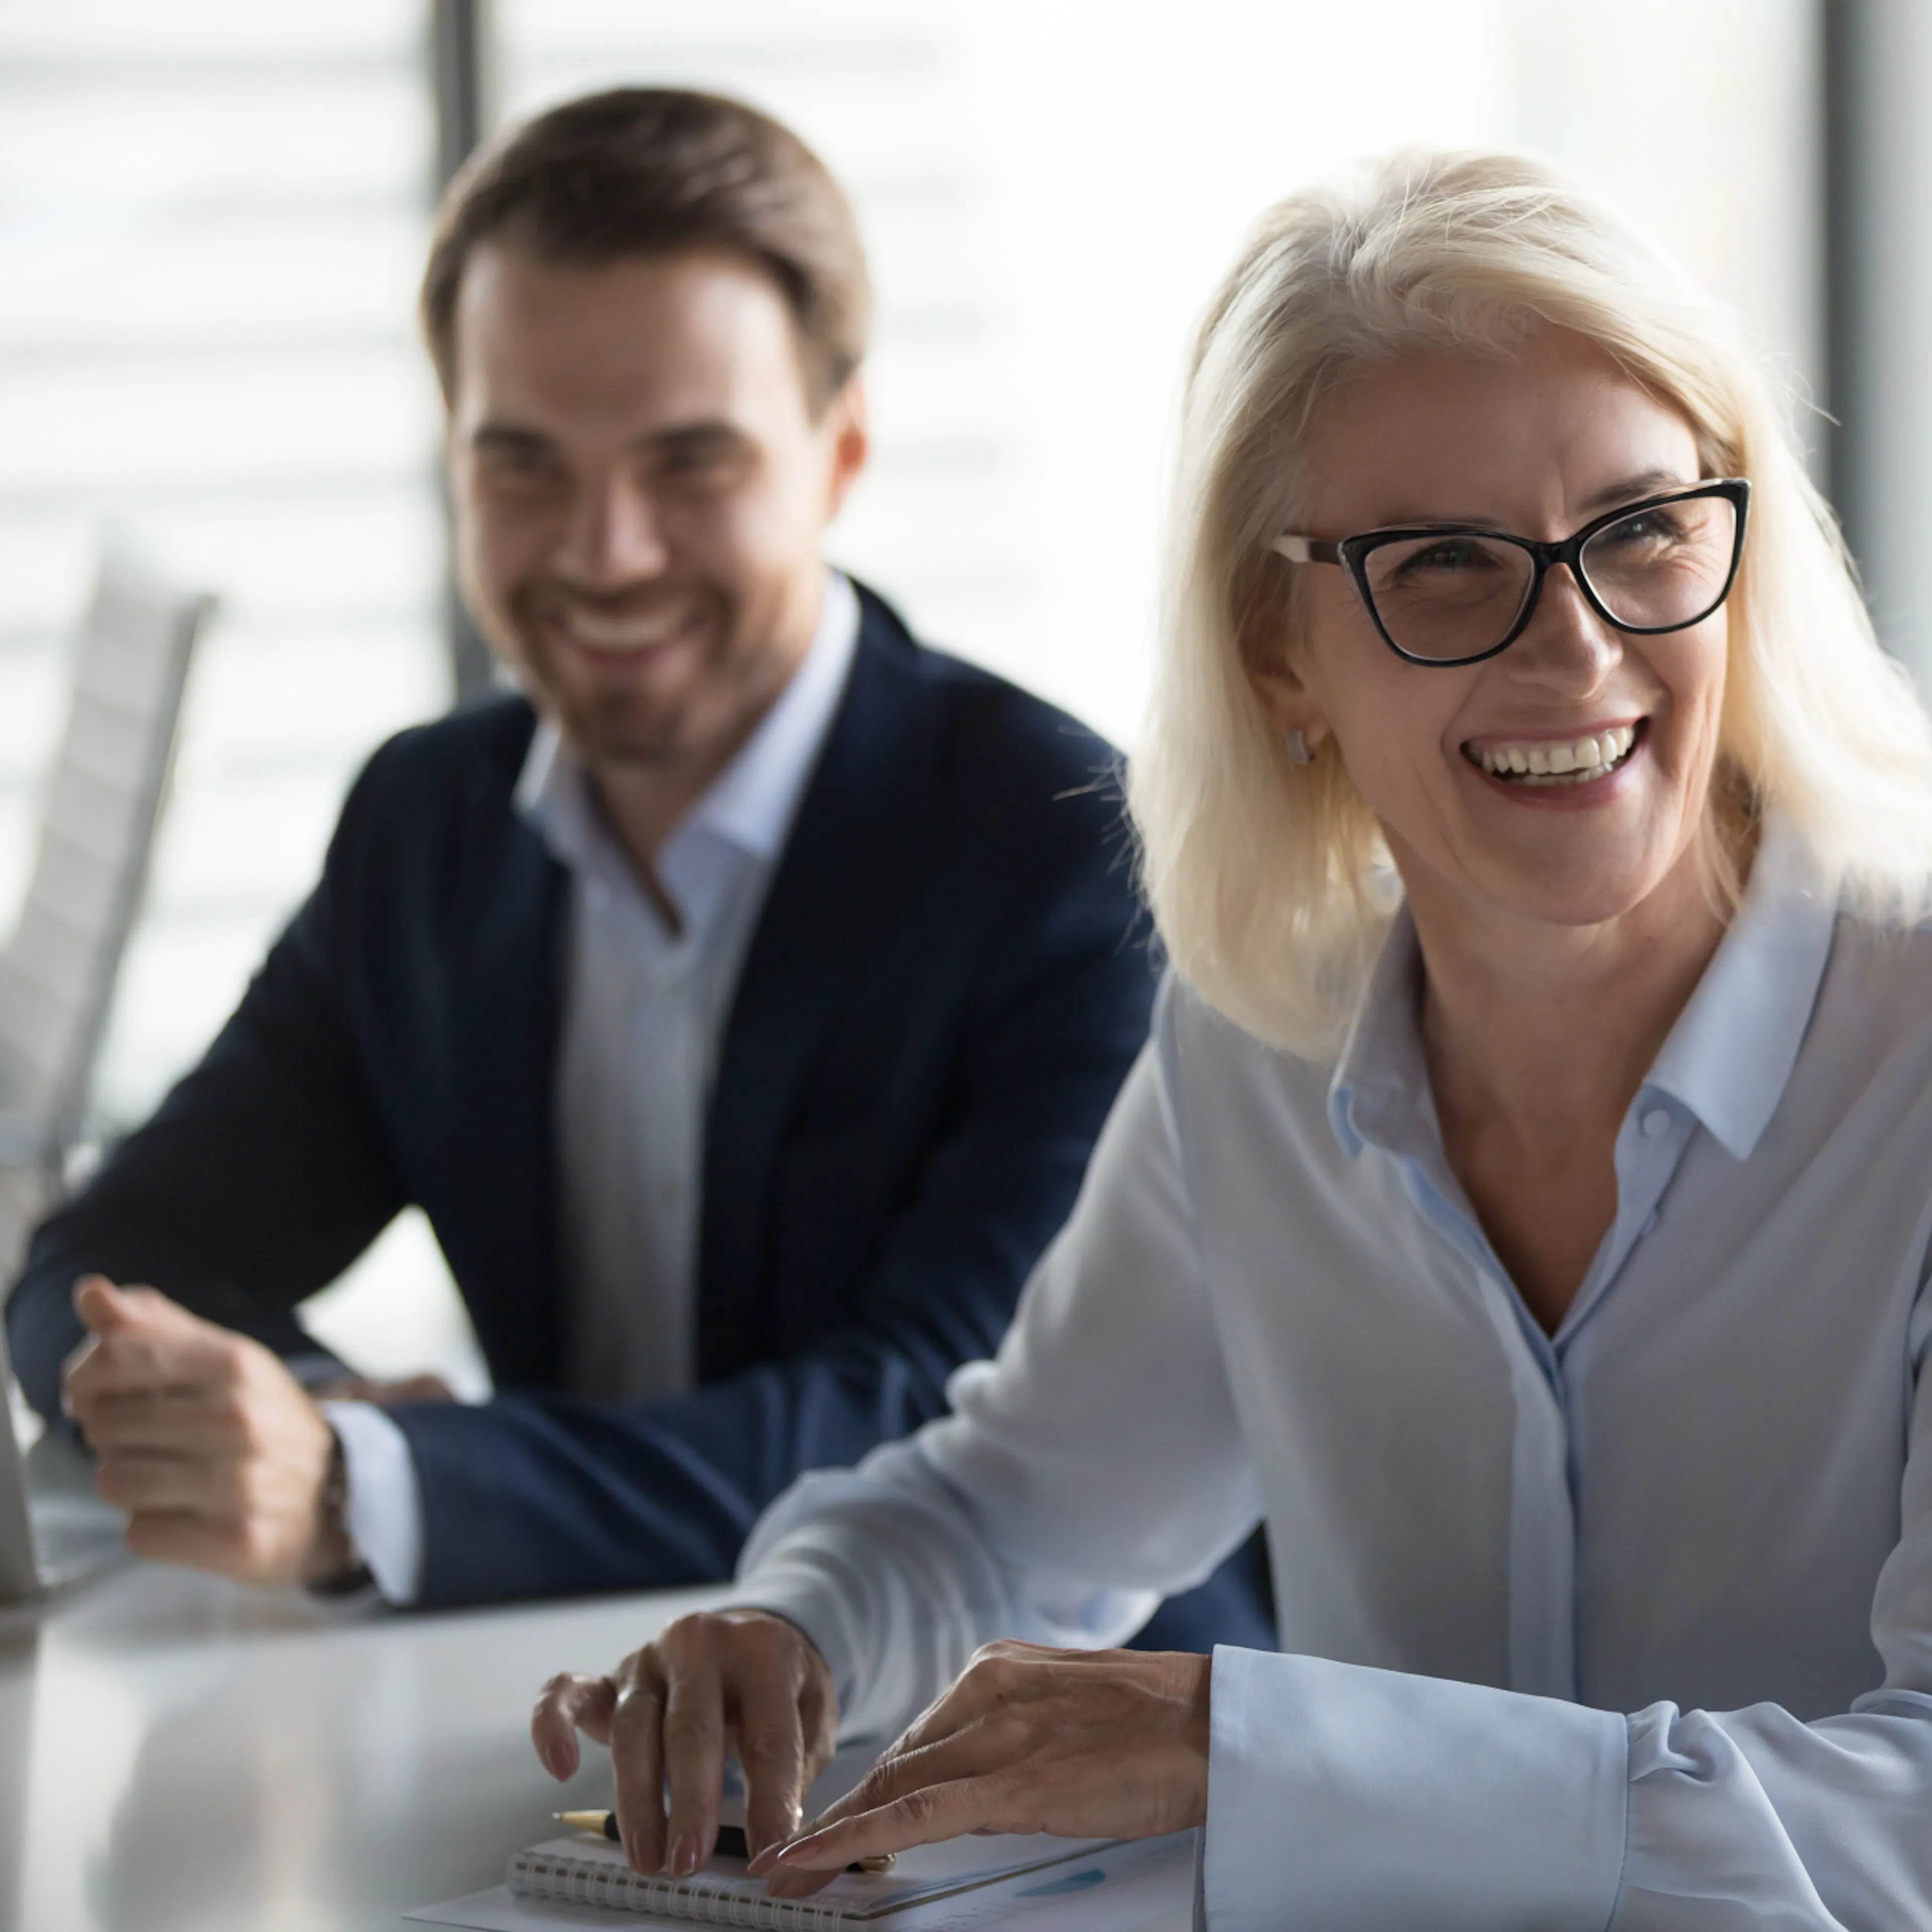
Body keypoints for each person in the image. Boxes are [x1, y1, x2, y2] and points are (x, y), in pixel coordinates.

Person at [530, 148, 1932, 1928]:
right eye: (1443, 565)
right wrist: (795, 1628)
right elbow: (1013, 1504)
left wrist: (1251, 1748)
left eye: (1646, 528)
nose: (1579, 650)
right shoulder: (1259, 1046)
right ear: (1282, 653)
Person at [4, 87, 1271, 1648]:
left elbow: (941, 1441)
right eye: (524, 465)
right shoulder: (430, 824)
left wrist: (375, 1486)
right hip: (569, 1705)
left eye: (690, 465)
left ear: (842, 451)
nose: (605, 552)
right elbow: (114, 1262)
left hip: (1019, 1756)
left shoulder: (1067, 848)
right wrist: (292, 1419)